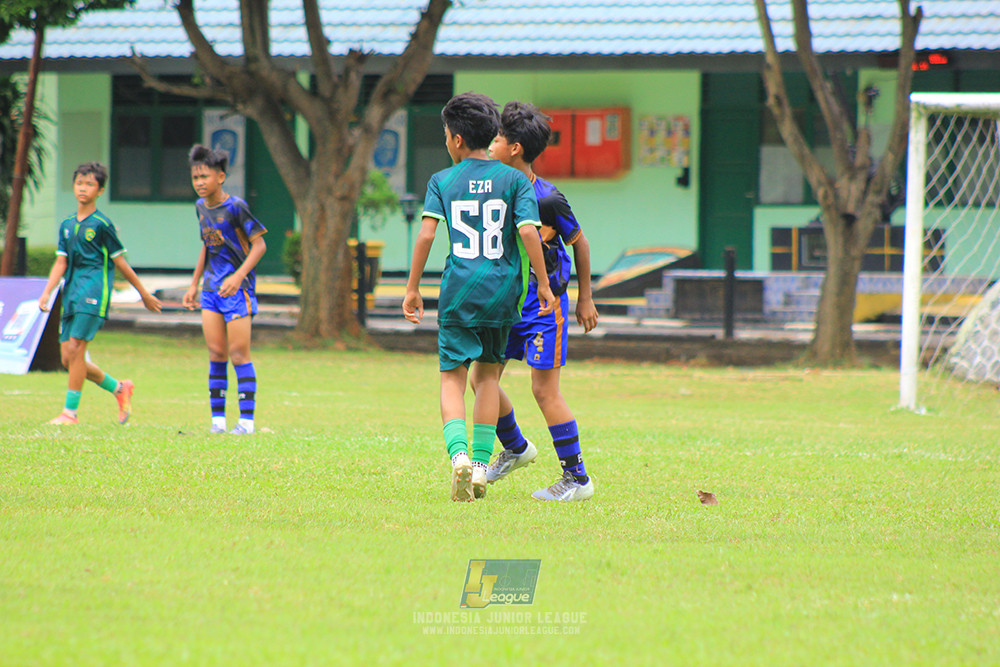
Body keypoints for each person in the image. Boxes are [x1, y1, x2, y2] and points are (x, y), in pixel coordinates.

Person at [403, 92, 555, 502]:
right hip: (504, 292)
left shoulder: (442, 181)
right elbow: (527, 232)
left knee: (453, 378)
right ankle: (484, 468)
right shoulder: (515, 180)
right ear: (491, 136)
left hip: (458, 293)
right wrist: (543, 283)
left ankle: (459, 458)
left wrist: (413, 286)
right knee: (488, 377)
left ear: (454, 139)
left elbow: (428, 234)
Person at [481, 101, 599, 502]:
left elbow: (579, 242)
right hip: (502, 303)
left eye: (497, 139)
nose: (491, 144)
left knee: (543, 391)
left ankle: (578, 479)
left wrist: (584, 297)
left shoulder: (547, 198)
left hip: (543, 307)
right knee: (482, 381)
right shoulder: (490, 192)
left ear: (514, 149)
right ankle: (515, 448)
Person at [39, 161, 162, 425]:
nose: (83, 188)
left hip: (94, 290)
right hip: (71, 291)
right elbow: (61, 262)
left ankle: (69, 414)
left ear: (100, 190)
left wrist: (143, 293)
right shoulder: (66, 225)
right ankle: (119, 388)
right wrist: (47, 292)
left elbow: (121, 263)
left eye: (90, 184)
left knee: (76, 349)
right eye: (79, 183)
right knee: (68, 359)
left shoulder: (103, 225)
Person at [182, 144, 267, 435]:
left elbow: (260, 244)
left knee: (238, 354)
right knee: (216, 352)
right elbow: (207, 246)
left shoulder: (236, 207)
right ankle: (218, 422)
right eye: (195, 178)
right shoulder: (199, 207)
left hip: (238, 290)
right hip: (211, 290)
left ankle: (246, 422)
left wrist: (238, 275)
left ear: (221, 176)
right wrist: (193, 284)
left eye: (204, 176)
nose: (199, 183)